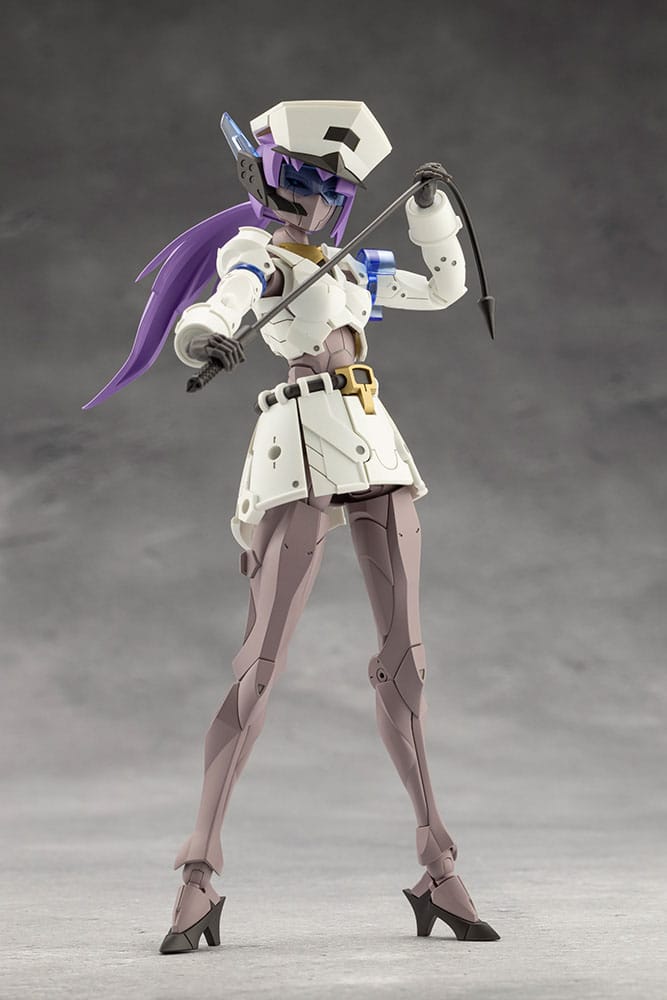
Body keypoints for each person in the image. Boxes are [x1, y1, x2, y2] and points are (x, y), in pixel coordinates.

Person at [85, 99, 499, 952]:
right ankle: (198, 873)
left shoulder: (349, 269)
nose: (310, 201)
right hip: (298, 450)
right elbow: (223, 303)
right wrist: (204, 336)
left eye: (327, 189)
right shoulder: (259, 255)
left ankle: (437, 864)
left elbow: (444, 289)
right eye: (299, 182)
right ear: (267, 178)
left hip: (371, 442)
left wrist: (429, 213)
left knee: (406, 661)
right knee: (260, 664)